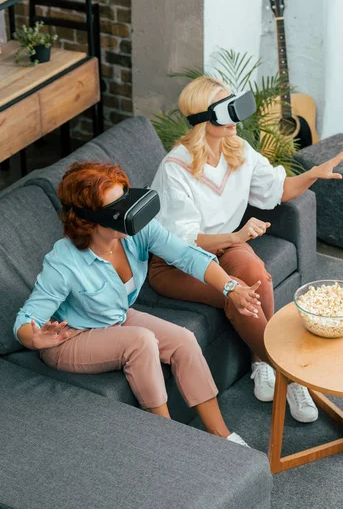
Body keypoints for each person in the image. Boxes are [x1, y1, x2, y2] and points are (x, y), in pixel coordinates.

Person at [14, 161, 266, 447]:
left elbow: (186, 255)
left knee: (184, 339)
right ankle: (165, 441)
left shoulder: (137, 232)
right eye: (117, 206)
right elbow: (26, 318)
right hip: (70, 338)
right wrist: (35, 337)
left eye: (126, 198)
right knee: (142, 341)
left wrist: (229, 287)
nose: (130, 211)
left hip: (115, 318)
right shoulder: (63, 263)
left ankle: (222, 435)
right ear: (89, 219)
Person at [149, 76, 343, 423]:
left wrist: (313, 174)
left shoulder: (237, 149)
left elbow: (278, 190)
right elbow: (184, 241)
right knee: (237, 294)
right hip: (175, 263)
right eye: (229, 110)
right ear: (205, 118)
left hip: (225, 244)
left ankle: (261, 362)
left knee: (258, 276)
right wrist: (237, 237)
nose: (238, 120)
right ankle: (290, 374)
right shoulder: (175, 168)